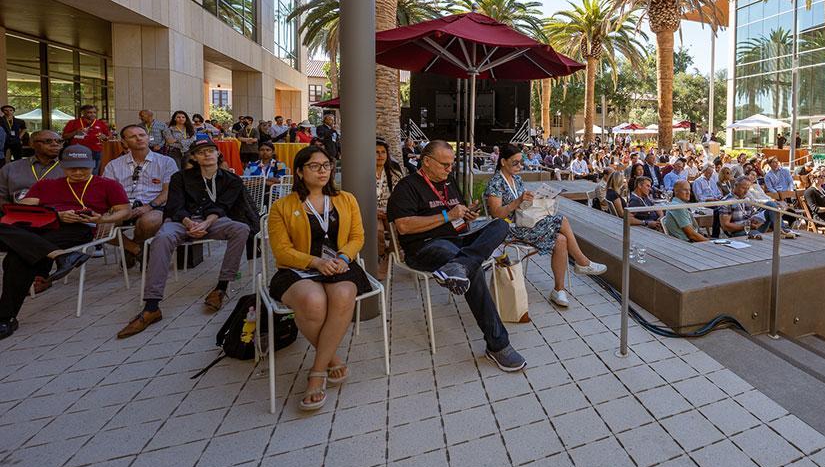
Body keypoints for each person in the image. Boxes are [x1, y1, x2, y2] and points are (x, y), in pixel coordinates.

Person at [388, 140, 525, 372]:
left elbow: (457, 219)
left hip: (456, 241)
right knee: (473, 267)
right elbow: (403, 226)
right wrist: (447, 215)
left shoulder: (449, 182)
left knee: (500, 225)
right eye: (444, 165)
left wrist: (466, 215)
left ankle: (459, 266)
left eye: (451, 164)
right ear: (427, 162)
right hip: (424, 247)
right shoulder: (407, 186)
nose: (449, 170)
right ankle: (498, 344)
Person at [116, 134, 259, 338]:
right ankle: (152, 306)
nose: (207, 155)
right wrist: (189, 223)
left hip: (213, 221)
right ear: (194, 157)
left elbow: (222, 207)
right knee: (163, 237)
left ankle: (221, 287)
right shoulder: (180, 178)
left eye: (210, 150)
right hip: (181, 222)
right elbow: (174, 206)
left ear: (218, 153)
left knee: (240, 229)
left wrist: (206, 223)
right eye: (201, 152)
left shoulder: (231, 180)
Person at [267, 146, 372, 410]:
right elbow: (281, 250)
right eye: (315, 166)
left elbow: (357, 237)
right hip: (299, 267)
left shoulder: (346, 199)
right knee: (313, 301)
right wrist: (315, 262)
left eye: (326, 165)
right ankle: (332, 360)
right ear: (300, 172)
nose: (323, 170)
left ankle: (316, 371)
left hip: (339, 263)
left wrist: (343, 258)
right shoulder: (282, 206)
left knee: (343, 295)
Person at [0, 146, 131, 338]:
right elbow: (22, 210)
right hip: (41, 228)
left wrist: (100, 219)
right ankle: (58, 255)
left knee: (16, 258)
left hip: (79, 229)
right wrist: (56, 215)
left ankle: (5, 318)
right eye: (72, 168)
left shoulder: (108, 185)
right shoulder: (45, 185)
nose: (78, 172)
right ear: (62, 166)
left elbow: (124, 211)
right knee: (12, 235)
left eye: (84, 168)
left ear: (93, 165)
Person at [485, 145, 606, 308]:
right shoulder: (496, 182)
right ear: (503, 162)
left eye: (521, 163)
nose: (519, 167)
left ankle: (559, 290)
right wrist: (518, 201)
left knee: (561, 239)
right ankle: (582, 262)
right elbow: (496, 214)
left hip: (525, 223)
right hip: (507, 228)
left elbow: (523, 207)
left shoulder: (517, 180)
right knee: (561, 220)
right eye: (515, 163)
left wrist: (535, 199)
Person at [103, 124, 180, 265]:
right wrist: (122, 208)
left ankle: (133, 247)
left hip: (154, 206)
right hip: (122, 206)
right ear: (124, 142)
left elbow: (168, 191)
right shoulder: (113, 165)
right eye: (133, 136)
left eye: (142, 135)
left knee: (149, 222)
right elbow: (105, 192)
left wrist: (149, 206)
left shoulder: (166, 162)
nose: (139, 139)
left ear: (148, 138)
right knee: (100, 227)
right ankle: (136, 249)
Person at [0, 130, 64, 204]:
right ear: (32, 144)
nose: (55, 144)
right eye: (48, 141)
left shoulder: (71, 169)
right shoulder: (10, 169)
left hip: (59, 214)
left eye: (59, 141)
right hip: (18, 213)